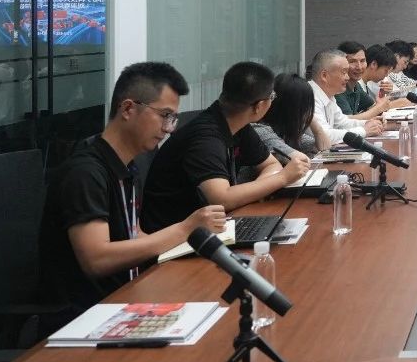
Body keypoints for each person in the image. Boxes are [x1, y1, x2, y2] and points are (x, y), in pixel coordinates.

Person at [40, 62, 228, 314]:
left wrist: (195, 241)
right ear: (128, 108)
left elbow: (134, 235)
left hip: (127, 296)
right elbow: (97, 259)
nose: (169, 128)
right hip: (87, 315)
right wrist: (185, 229)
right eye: (164, 115)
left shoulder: (128, 167)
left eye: (173, 118)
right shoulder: (85, 173)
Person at [141, 61, 309, 233]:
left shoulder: (238, 124)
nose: (272, 101)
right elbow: (221, 199)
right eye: (271, 97)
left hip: (212, 227)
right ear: (259, 106)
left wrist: (255, 191)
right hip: (174, 237)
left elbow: (271, 164)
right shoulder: (206, 138)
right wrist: (282, 178)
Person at [305, 49, 382, 153]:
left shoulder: (329, 95)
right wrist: (364, 130)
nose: (347, 77)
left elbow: (342, 123)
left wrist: (368, 123)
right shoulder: (309, 96)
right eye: (344, 72)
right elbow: (325, 135)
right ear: (324, 76)